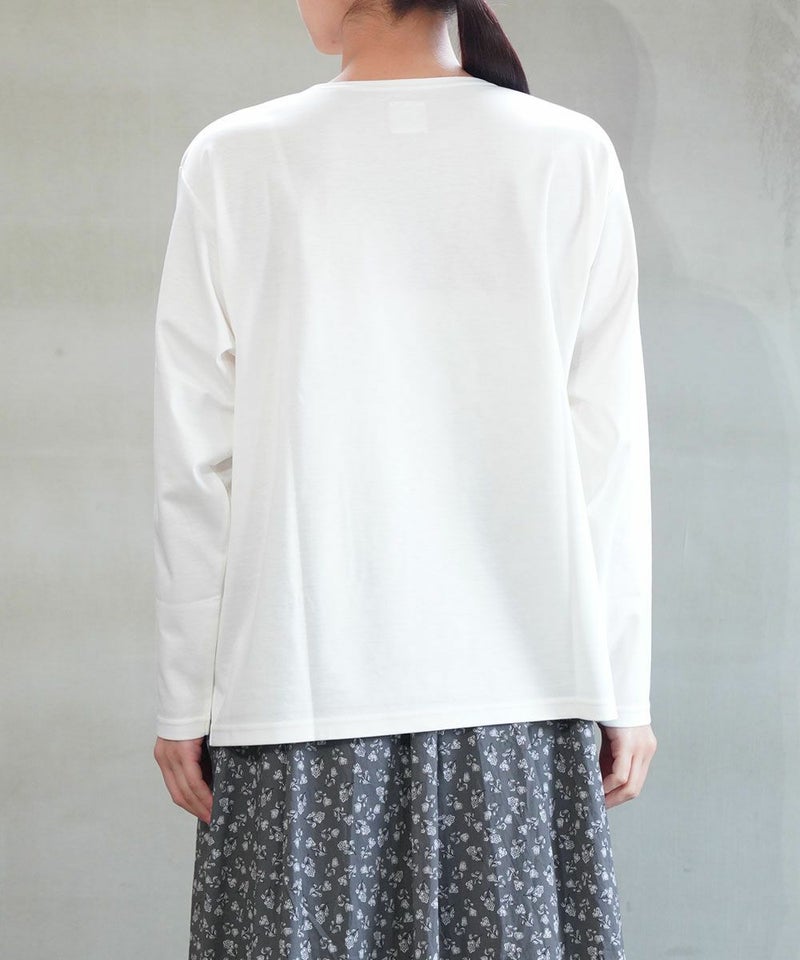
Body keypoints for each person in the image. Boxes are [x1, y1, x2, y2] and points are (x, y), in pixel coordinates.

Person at [152, 0, 658, 956]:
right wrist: (621, 686)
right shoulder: (568, 154)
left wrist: (186, 695)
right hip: (521, 699)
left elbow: (195, 460)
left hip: (295, 694)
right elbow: (609, 446)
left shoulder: (234, 159)